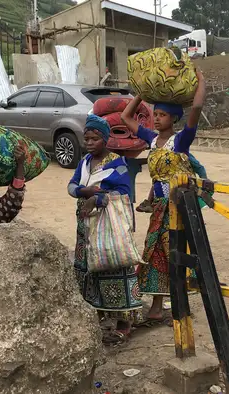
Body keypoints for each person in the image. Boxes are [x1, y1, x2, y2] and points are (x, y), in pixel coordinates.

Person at [120, 69, 206, 325]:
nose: (156, 119)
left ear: (174, 118)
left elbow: (197, 109)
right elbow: (126, 116)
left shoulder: (181, 141)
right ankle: (157, 307)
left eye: (162, 115)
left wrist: (201, 82)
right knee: (155, 253)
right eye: (155, 114)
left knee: (177, 255)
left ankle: (182, 307)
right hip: (159, 207)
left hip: (179, 207)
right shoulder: (151, 139)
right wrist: (141, 94)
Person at [68, 114, 143, 345]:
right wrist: (85, 193)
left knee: (115, 267)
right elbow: (71, 186)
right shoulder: (84, 162)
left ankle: (124, 323)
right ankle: (98, 312)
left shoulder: (117, 163)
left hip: (109, 226)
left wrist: (98, 198)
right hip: (86, 227)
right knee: (89, 270)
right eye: (86, 138)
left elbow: (125, 194)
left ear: (105, 139)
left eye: (94, 139)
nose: (89, 143)